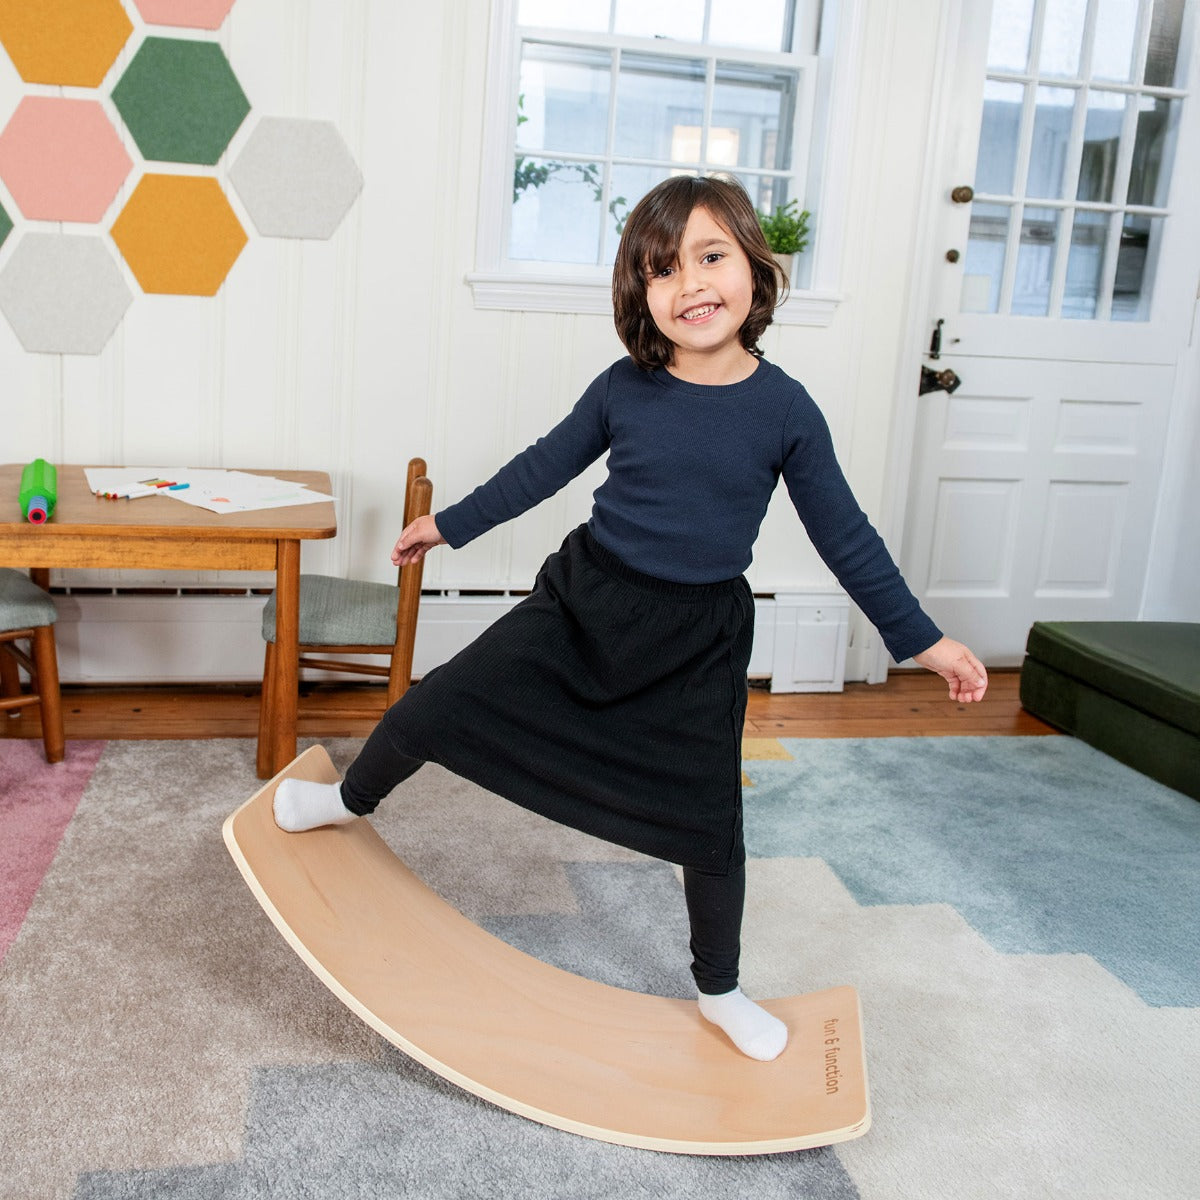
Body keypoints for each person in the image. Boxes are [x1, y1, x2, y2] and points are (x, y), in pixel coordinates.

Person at [273, 174, 988, 1063]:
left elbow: (845, 535)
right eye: (662, 269)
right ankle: (348, 799)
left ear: (755, 269)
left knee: (710, 825)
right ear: (638, 295)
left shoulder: (785, 411)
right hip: (586, 601)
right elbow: (544, 467)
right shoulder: (626, 386)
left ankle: (720, 990)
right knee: (436, 704)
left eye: (710, 257)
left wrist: (922, 639)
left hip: (697, 641)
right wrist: (450, 524)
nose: (690, 284)